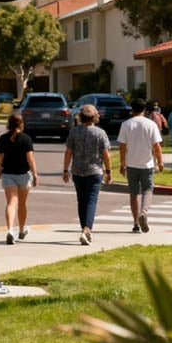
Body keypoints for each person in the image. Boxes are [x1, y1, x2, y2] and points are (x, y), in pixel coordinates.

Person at [63, 104, 112, 245]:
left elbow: (68, 152)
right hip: (95, 171)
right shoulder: (100, 133)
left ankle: (84, 229)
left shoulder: (74, 132)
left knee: (81, 201)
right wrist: (108, 171)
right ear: (94, 117)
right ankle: (86, 229)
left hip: (78, 171)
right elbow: (106, 154)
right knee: (91, 200)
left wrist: (66, 170)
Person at [117, 97, 163, 233]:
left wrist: (122, 163)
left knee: (133, 194)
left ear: (132, 110)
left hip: (131, 164)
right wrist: (160, 162)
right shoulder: (151, 124)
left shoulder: (126, 124)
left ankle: (136, 222)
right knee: (148, 190)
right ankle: (144, 212)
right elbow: (157, 146)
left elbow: (122, 146)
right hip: (147, 164)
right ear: (144, 109)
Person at [0, 113, 38, 244]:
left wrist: (0, 169)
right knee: (22, 204)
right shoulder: (26, 139)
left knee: (11, 203)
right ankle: (21, 230)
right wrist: (35, 174)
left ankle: (9, 230)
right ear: (21, 124)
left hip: (8, 175)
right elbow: (30, 159)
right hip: (23, 175)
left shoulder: (3, 138)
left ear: (8, 124)